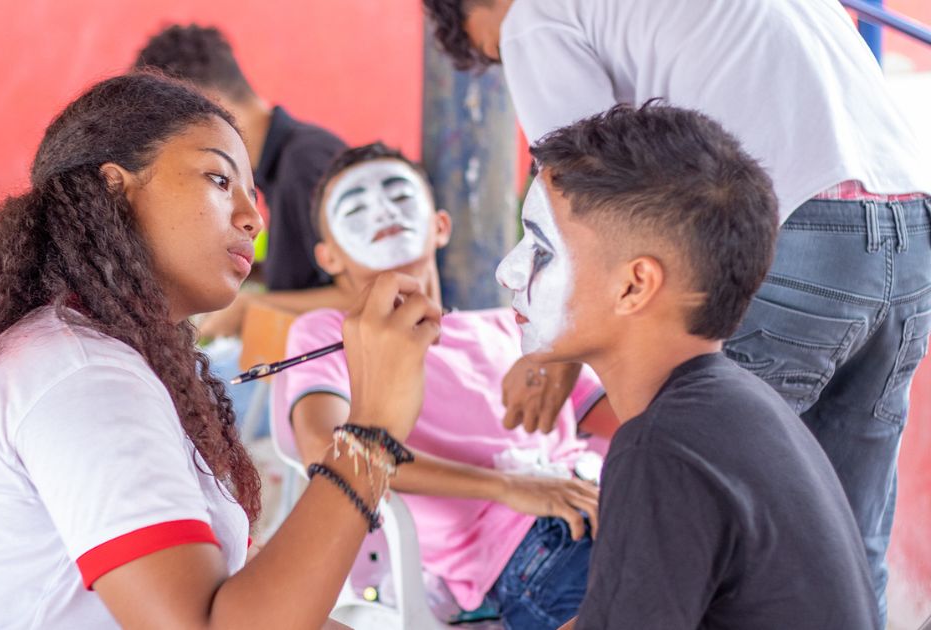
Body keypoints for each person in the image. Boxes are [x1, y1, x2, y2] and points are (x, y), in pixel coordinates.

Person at [424, 0, 931, 619]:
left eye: (496, 54)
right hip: (909, 230)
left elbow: (582, 202)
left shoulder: (529, 14)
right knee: (847, 541)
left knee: (687, 496)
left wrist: (550, 354)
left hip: (798, 225)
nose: (514, 64)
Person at [0, 72, 442, 629]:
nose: (253, 217)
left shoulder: (94, 358)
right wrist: (371, 430)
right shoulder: (81, 374)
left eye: (252, 193)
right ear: (113, 189)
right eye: (220, 180)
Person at [494, 102, 878, 628]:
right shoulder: (736, 402)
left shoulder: (661, 446)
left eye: (540, 248)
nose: (509, 270)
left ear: (634, 285)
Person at [281, 142, 617, 630]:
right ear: (328, 256)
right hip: (532, 550)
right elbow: (325, 450)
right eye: (355, 207)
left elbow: (627, 411)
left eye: (399, 196)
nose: (382, 211)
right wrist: (508, 488)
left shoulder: (510, 322)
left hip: (609, 501)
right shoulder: (328, 335)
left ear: (441, 225)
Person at [134, 24, 353, 339]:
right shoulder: (278, 169)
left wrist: (249, 306)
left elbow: (370, 295)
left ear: (209, 105)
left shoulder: (307, 160)